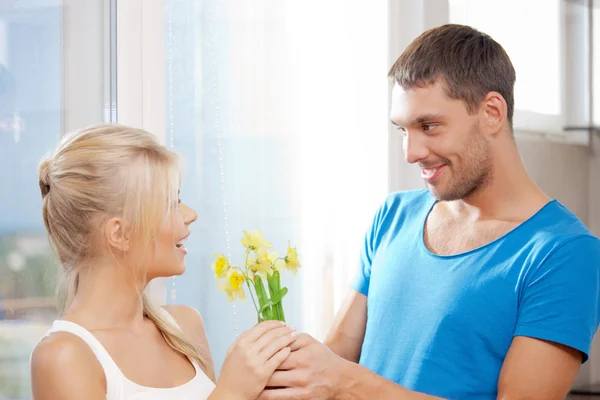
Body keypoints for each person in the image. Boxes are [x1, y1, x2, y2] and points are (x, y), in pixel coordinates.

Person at [258, 24, 600, 400]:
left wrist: (346, 383)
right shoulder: (392, 216)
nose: (411, 152)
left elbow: (342, 378)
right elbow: (337, 356)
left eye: (429, 126)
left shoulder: (565, 253)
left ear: (491, 113)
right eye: (403, 130)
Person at [30, 124, 297, 400]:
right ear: (120, 233)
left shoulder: (184, 326)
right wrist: (232, 392)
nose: (190, 214)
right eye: (172, 202)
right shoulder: (64, 357)